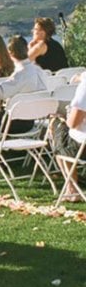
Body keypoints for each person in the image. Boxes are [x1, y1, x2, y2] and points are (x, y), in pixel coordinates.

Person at [55, 72, 86, 201]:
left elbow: (73, 123)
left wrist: (65, 117)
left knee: (58, 128)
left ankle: (72, 188)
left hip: (82, 146)